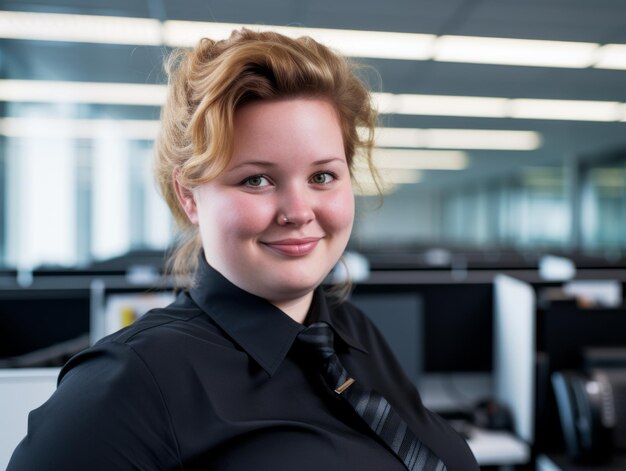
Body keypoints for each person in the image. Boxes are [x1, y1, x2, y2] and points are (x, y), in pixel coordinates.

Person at [8, 29, 478, 470]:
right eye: (256, 180)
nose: (298, 210)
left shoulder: (352, 333)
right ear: (190, 197)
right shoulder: (129, 386)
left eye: (322, 177)